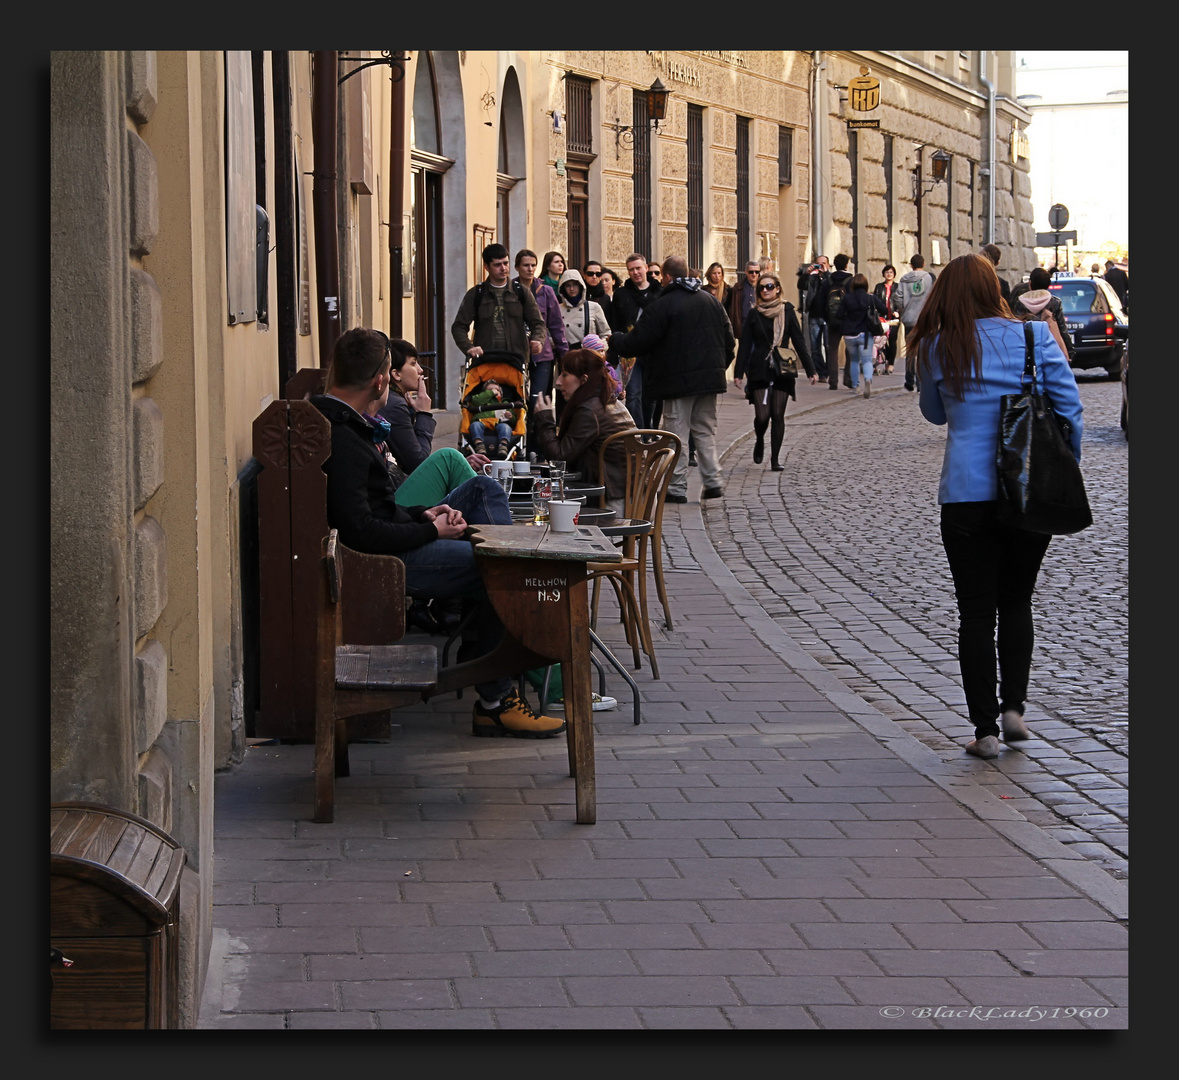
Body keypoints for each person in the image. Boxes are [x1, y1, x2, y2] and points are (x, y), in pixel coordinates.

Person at [312, 327, 565, 738]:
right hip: (377, 563)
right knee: (503, 571)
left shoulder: (342, 422)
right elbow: (362, 532)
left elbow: (377, 510)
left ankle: (486, 631)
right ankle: (495, 699)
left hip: (388, 543)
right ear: (380, 380)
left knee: (483, 489)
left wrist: (424, 516)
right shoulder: (344, 436)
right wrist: (433, 534)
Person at [910, 254, 1083, 760]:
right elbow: (1069, 407)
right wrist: (1061, 466)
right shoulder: (1032, 337)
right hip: (1025, 492)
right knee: (1017, 602)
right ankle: (1015, 709)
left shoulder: (939, 345)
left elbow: (935, 414)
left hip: (965, 493)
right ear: (996, 289)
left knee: (975, 612)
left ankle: (984, 729)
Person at [608, 255, 736, 503]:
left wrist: (616, 340)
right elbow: (729, 341)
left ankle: (676, 487)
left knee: (676, 432)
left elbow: (639, 341)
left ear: (666, 277)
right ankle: (713, 481)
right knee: (704, 430)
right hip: (709, 380)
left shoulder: (663, 305)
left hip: (677, 383)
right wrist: (718, 368)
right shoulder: (710, 301)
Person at [532, 348, 636, 517]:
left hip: (615, 501)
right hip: (632, 495)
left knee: (552, 514)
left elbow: (559, 457)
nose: (558, 382)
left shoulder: (589, 410)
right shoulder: (606, 402)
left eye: (564, 375)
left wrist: (545, 421)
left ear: (584, 380)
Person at [732, 271, 816, 471]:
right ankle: (760, 438)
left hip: (783, 367)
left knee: (777, 414)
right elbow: (745, 344)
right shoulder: (754, 313)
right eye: (762, 287)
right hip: (759, 368)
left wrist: (811, 368)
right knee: (762, 416)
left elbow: (798, 340)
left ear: (777, 288)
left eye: (769, 286)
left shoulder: (786, 310)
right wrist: (738, 372)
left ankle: (775, 459)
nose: (765, 290)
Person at [452, 243, 545, 365]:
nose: (503, 268)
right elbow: (459, 326)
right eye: (497, 265)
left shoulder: (521, 292)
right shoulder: (476, 294)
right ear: (486, 267)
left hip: (515, 359)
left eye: (505, 263)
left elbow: (538, 323)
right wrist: (469, 347)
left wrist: (538, 340)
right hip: (485, 360)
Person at [608, 252, 663, 430]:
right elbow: (615, 324)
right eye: (631, 269)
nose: (635, 272)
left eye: (638, 268)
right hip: (629, 352)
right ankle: (636, 432)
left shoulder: (660, 293)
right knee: (633, 394)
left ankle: (649, 428)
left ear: (646, 268)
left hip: (653, 351)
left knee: (651, 396)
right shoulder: (622, 294)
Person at [514, 248, 568, 413]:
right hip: (515, 351)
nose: (530, 269)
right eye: (526, 265)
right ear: (517, 267)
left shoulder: (545, 291)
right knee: (517, 396)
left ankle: (537, 434)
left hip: (542, 353)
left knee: (539, 397)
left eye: (533, 265)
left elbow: (556, 324)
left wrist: (564, 353)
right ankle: (521, 434)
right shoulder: (510, 290)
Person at [836, 273, 889, 398]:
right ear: (865, 285)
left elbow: (838, 314)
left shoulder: (847, 298)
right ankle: (868, 379)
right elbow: (885, 310)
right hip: (865, 334)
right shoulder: (870, 298)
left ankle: (856, 386)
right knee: (866, 360)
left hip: (849, 334)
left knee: (854, 360)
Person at [1010, 266, 1075, 362]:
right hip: (1050, 347)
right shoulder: (1054, 302)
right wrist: (1069, 350)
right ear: (1048, 285)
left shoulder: (1020, 302)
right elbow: (1062, 330)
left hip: (1027, 349)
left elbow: (1016, 328)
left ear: (1030, 283)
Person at [897, 253, 934, 391]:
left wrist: (902, 310)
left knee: (910, 350)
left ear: (911, 265)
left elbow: (898, 297)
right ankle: (920, 383)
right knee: (922, 351)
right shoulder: (928, 278)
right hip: (923, 319)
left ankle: (909, 380)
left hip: (908, 319)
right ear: (923, 264)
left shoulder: (904, 279)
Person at [817, 254, 854, 389]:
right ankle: (848, 378)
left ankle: (833, 381)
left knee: (832, 350)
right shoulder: (851, 281)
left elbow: (821, 301)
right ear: (846, 265)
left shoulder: (829, 281)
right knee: (850, 349)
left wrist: (826, 317)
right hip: (848, 320)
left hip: (832, 319)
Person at [464, 378, 521, 459]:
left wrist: (511, 417)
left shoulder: (506, 403)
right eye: (490, 390)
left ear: (501, 393)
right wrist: (491, 393)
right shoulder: (480, 403)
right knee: (475, 425)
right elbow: (476, 401)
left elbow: (514, 421)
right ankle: (479, 445)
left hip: (500, 424)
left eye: (497, 389)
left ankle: (503, 446)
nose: (494, 391)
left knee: (505, 427)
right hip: (482, 422)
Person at [557, 268, 611, 350]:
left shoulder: (593, 307)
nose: (572, 289)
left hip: (590, 355)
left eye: (575, 284)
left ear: (580, 285)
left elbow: (606, 334)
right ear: (563, 288)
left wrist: (599, 347)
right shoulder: (558, 309)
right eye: (568, 285)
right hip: (566, 356)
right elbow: (550, 335)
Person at [801, 255, 830, 379]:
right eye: (818, 264)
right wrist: (806, 274)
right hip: (814, 316)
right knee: (815, 348)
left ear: (828, 265)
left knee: (828, 346)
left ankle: (830, 371)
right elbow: (801, 285)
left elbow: (832, 286)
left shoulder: (830, 278)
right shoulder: (812, 278)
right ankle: (822, 373)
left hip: (828, 317)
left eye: (823, 263)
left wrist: (826, 273)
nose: (821, 266)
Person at [872, 265, 902, 375]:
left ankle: (891, 364)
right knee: (882, 341)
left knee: (892, 340)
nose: (889, 274)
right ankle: (886, 359)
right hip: (882, 318)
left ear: (894, 274)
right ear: (883, 274)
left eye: (891, 272)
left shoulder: (898, 287)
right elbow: (875, 301)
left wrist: (898, 311)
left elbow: (901, 301)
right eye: (887, 272)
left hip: (894, 318)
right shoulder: (879, 287)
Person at [729, 260, 760, 343]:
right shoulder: (739, 287)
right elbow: (734, 308)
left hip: (759, 325)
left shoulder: (763, 287)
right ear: (746, 272)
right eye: (751, 272)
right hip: (744, 326)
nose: (754, 274)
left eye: (756, 272)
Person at [583, 259, 613, 326]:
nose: (594, 277)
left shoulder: (605, 298)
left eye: (598, 274)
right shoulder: (578, 294)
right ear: (584, 275)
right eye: (590, 274)